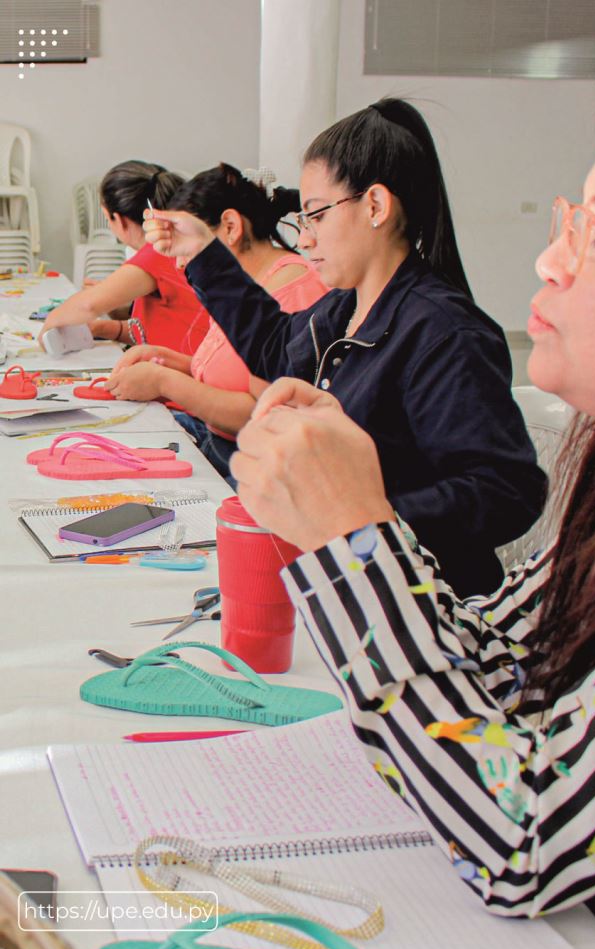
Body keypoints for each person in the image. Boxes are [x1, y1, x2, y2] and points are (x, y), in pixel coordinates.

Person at [228, 81, 595, 949]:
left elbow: (529, 835)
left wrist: (355, 537)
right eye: (567, 226)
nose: (550, 264)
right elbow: (506, 662)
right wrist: (346, 524)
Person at [142, 98, 546, 597]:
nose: (305, 240)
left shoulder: (443, 331)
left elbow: (506, 491)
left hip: (419, 601)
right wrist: (203, 250)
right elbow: (273, 346)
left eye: (315, 216)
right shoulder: (345, 308)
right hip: (345, 577)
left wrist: (361, 518)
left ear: (375, 205)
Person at [102, 163, 328, 483]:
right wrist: (170, 362)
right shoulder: (242, 284)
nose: (178, 263)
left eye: (184, 243)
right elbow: (233, 374)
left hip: (247, 466)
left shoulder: (294, 291)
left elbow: (261, 412)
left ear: (231, 226)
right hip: (217, 446)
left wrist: (164, 381)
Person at [40, 161, 209, 354]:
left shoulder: (159, 252)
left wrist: (48, 327)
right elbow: (163, 327)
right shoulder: (175, 245)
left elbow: (88, 305)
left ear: (118, 219)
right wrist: (104, 329)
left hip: (188, 374)